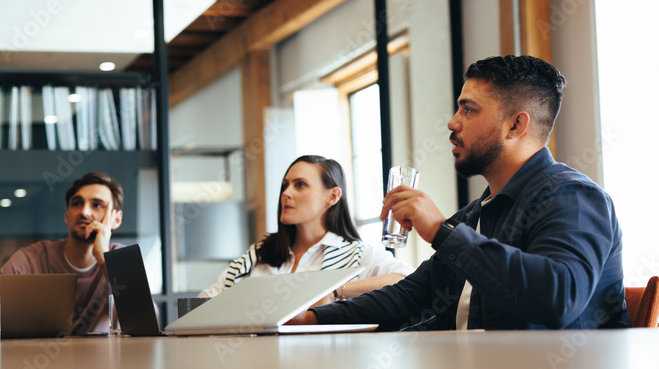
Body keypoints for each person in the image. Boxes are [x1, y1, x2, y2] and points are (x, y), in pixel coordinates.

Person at [290, 55, 628, 330]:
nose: (452, 123)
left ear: (515, 125)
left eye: (469, 109)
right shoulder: (476, 213)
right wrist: (311, 318)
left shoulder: (572, 197)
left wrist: (441, 231)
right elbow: (409, 297)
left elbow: (559, 299)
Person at [201, 155, 413, 302]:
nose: (286, 193)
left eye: (300, 184)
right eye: (285, 185)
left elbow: (406, 280)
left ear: (333, 196)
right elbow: (205, 303)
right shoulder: (258, 254)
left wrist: (336, 291)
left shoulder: (357, 255)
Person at [0, 172, 125, 334]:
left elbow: (145, 318)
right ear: (67, 216)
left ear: (116, 219)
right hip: (38, 357)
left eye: (97, 205)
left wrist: (103, 256)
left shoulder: (121, 258)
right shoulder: (31, 259)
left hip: (104, 358)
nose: (84, 212)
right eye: (77, 204)